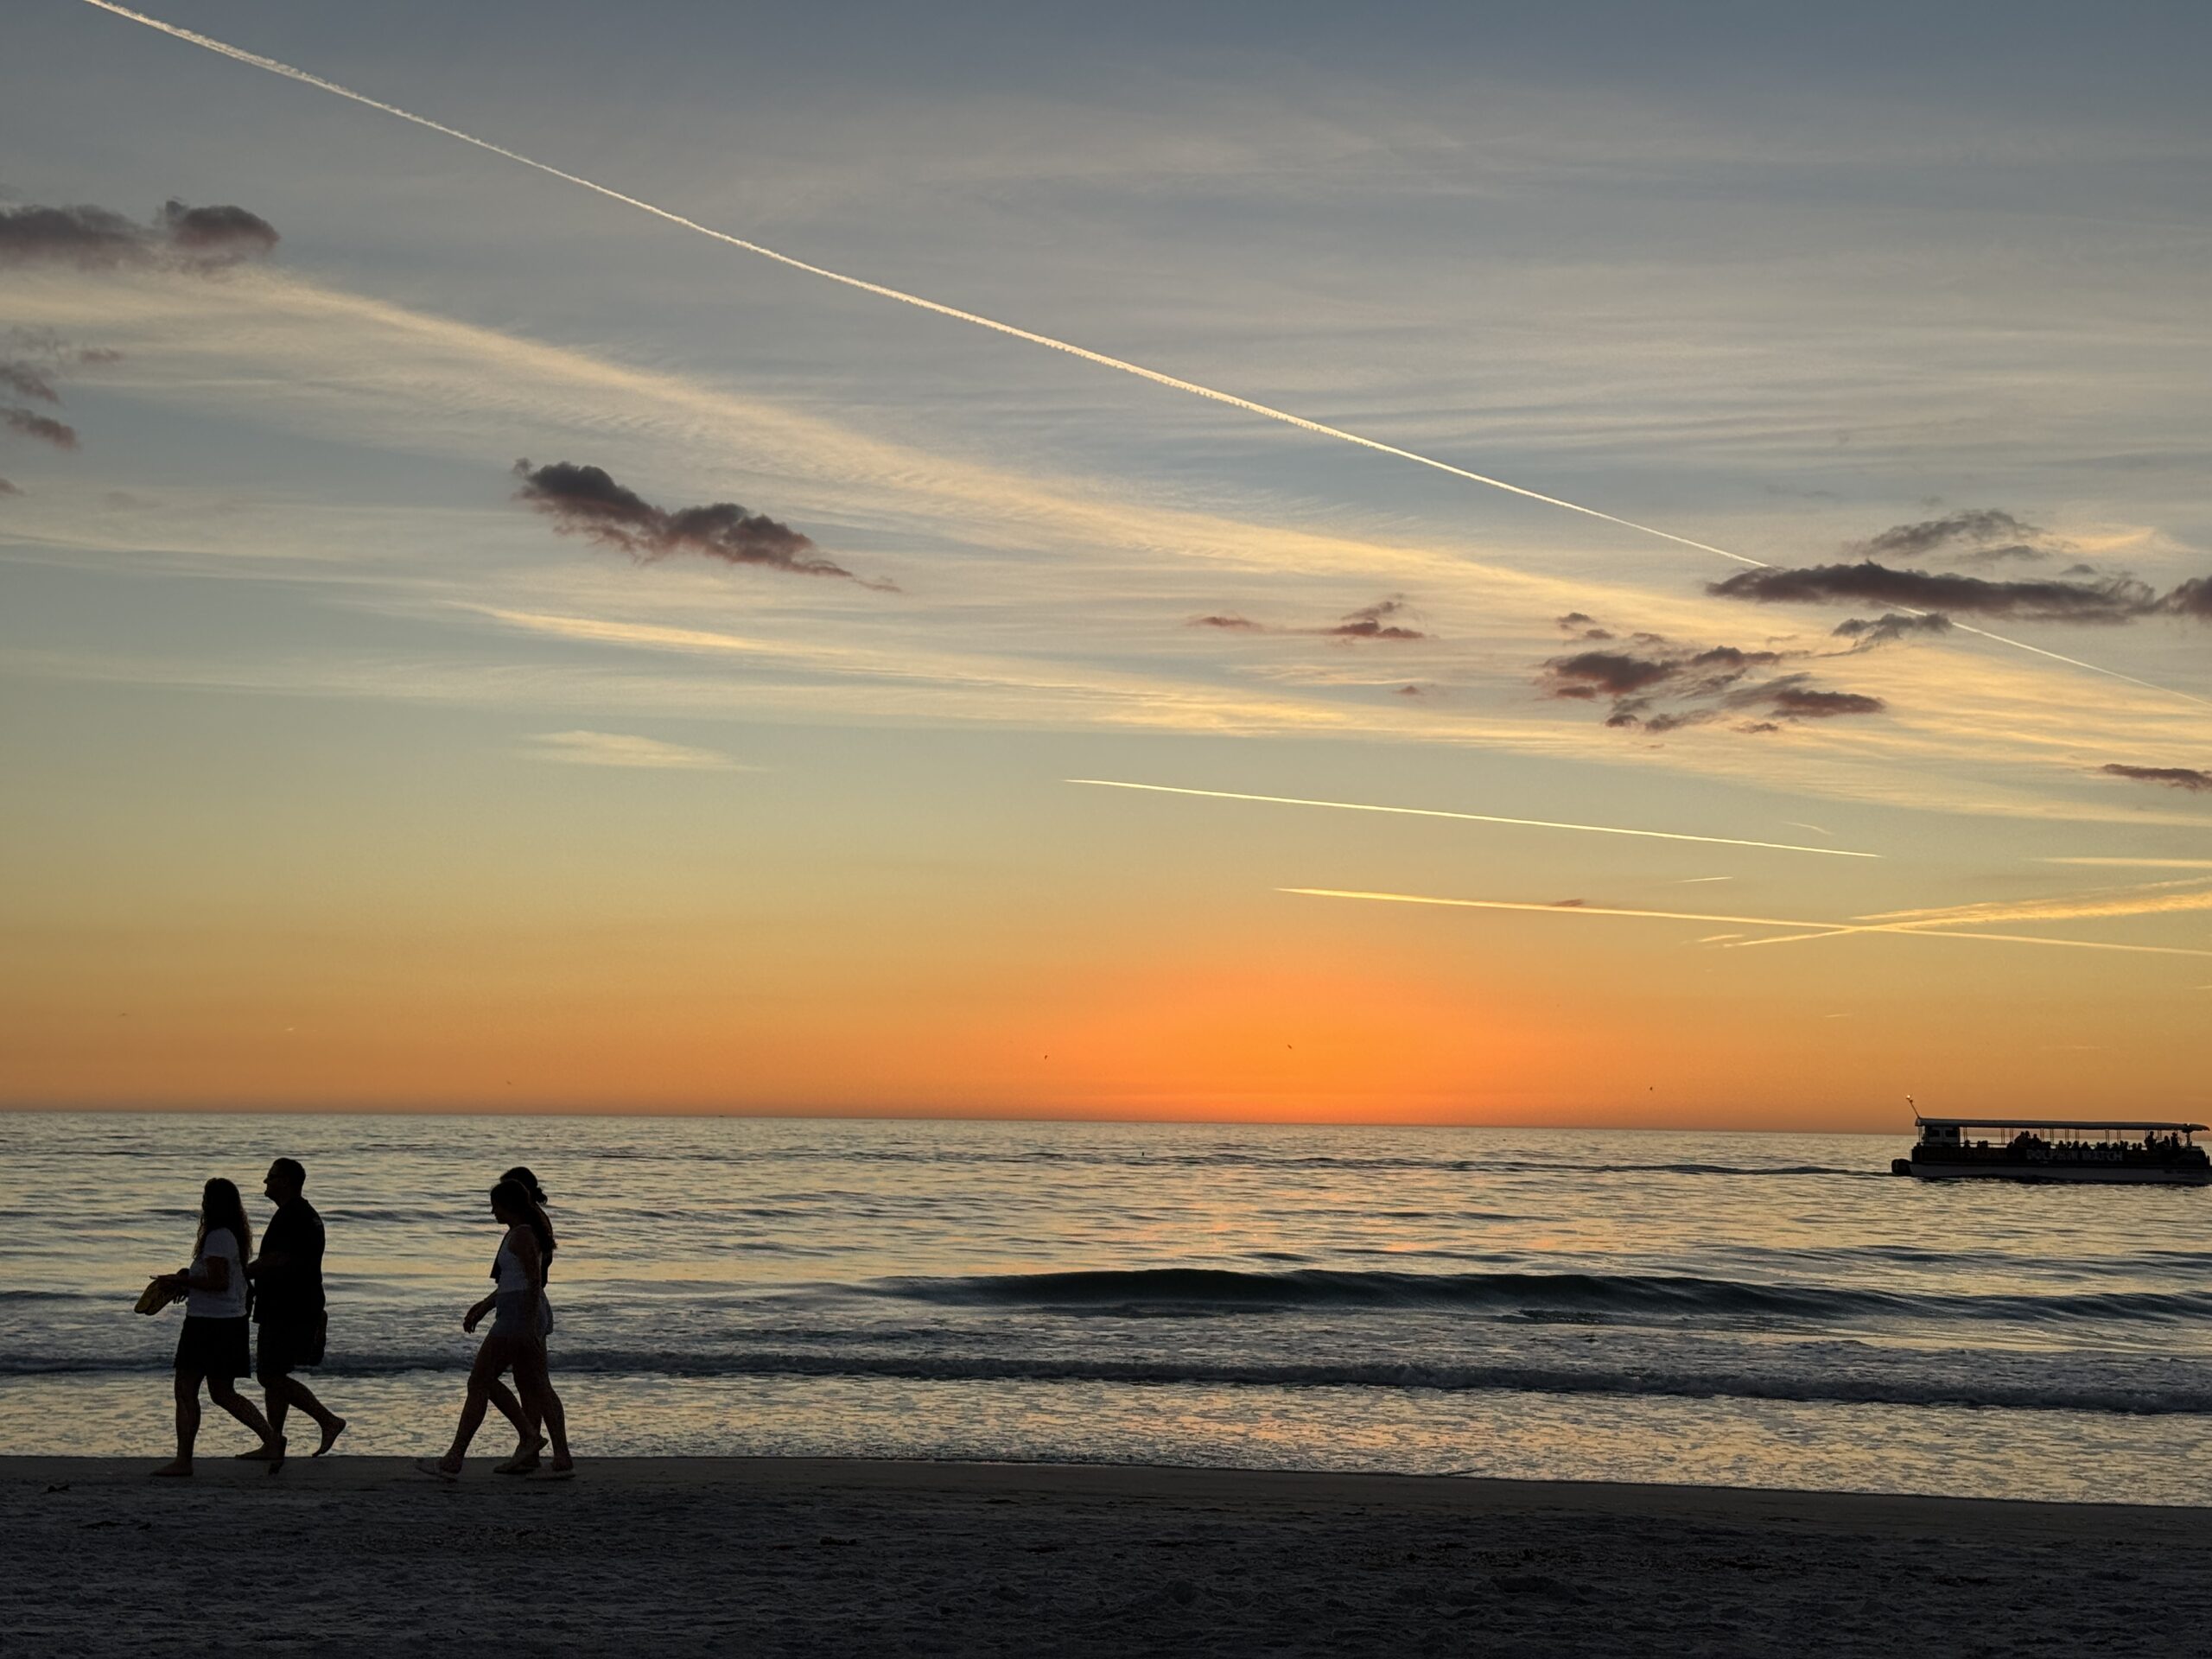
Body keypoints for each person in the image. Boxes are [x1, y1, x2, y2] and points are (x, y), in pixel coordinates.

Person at [417, 1179, 556, 1479]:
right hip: (512, 1314)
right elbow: (512, 1283)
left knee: (481, 1380)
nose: (492, 1212)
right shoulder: (518, 1234)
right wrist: (483, 1307)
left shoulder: (522, 1236)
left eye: (496, 1206)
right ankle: (522, 1438)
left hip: (516, 1319)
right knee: (489, 1381)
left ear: (509, 1206)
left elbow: (533, 1283)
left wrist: (531, 1324)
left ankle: (458, 1456)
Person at [152, 1178, 282, 1477]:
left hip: (209, 1324)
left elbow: (218, 1282)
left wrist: (181, 1281)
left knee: (186, 1389)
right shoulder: (230, 1235)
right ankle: (272, 1439)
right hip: (227, 1322)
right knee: (222, 1393)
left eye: (205, 1198)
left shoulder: (218, 1236)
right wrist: (189, 1276)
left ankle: (184, 1460)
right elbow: (221, 1276)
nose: (202, 1203)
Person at [246, 1157, 346, 1459]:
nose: (265, 1182)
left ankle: (327, 1420)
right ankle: (274, 1442)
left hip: (288, 1306)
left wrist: (241, 1273)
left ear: (286, 1181)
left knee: (269, 1375)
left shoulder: (293, 1216)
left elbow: (279, 1259)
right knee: (274, 1372)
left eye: (271, 1176)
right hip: (294, 1303)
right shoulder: (303, 1215)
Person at [483, 1166, 574, 1475]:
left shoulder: (529, 1227)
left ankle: (551, 1450)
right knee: (530, 1383)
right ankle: (536, 1451)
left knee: (535, 1384)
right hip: (527, 1307)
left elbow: (531, 1280)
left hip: (528, 1309)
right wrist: (486, 1305)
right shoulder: (531, 1223)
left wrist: (523, 1313)